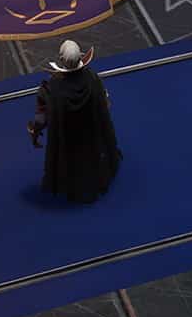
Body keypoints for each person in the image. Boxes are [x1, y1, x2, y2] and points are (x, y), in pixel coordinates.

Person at [26, 40, 121, 203]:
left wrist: (34, 132)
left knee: (70, 161)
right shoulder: (92, 79)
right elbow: (105, 104)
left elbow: (41, 118)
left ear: (61, 59)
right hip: (91, 135)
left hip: (69, 138)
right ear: (80, 58)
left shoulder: (51, 89)